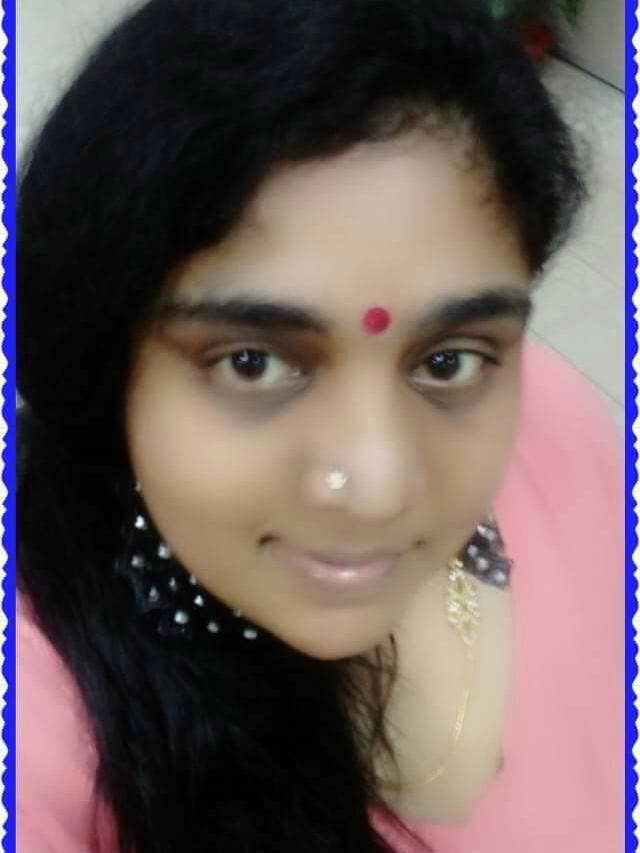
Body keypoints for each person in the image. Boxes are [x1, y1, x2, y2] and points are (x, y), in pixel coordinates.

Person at [16, 0, 623, 851]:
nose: (375, 486)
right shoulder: (38, 720)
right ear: (108, 366)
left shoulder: (554, 428)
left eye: (447, 359)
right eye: (252, 362)